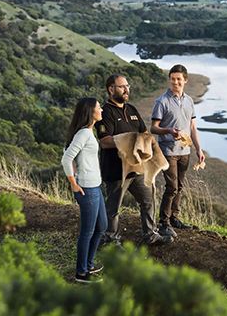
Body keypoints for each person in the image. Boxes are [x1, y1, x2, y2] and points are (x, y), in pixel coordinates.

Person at [96, 74, 172, 246]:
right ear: (111, 89)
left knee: (148, 200)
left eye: (127, 86)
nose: (126, 89)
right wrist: (131, 138)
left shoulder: (131, 109)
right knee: (113, 209)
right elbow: (105, 141)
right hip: (116, 171)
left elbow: (144, 134)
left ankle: (150, 234)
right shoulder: (105, 113)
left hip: (137, 168)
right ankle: (110, 240)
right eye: (122, 86)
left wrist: (146, 141)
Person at [151, 64, 205, 237]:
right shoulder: (162, 101)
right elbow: (153, 128)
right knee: (172, 187)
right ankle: (163, 223)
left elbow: (193, 127)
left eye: (179, 79)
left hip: (185, 151)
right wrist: (168, 131)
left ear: (185, 81)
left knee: (180, 186)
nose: (175, 82)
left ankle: (174, 217)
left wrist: (199, 150)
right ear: (169, 80)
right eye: (172, 79)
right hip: (167, 150)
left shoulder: (189, 101)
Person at [61, 97, 107, 283]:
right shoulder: (83, 134)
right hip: (86, 189)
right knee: (87, 232)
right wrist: (73, 182)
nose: (101, 109)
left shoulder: (88, 132)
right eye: (99, 107)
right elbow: (66, 158)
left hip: (95, 186)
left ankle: (88, 264)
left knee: (102, 226)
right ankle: (81, 273)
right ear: (91, 112)